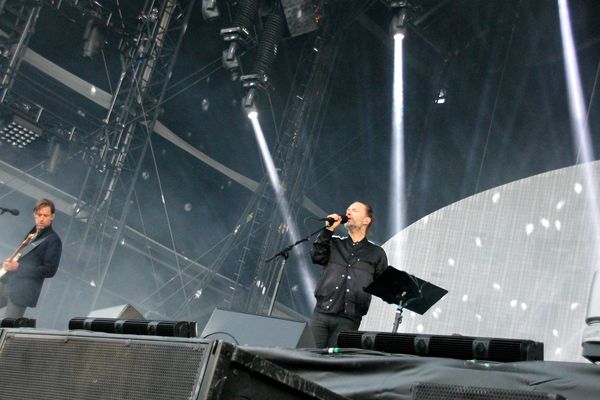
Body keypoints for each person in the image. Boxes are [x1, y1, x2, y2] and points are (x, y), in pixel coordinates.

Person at [310, 201, 388, 348]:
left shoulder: (376, 253)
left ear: (367, 220)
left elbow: (382, 285)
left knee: (336, 364)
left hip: (349, 319)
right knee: (308, 356)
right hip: (322, 313)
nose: (348, 213)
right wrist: (328, 231)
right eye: (347, 210)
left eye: (354, 210)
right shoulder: (334, 243)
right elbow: (316, 256)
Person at [0, 198, 62, 318]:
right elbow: (24, 258)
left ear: (52, 217)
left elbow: (49, 270)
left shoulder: (53, 240)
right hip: (7, 281)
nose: (42, 218)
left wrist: (18, 267)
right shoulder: (32, 234)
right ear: (34, 214)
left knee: (7, 328)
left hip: (22, 291)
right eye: (39, 215)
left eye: (46, 215)